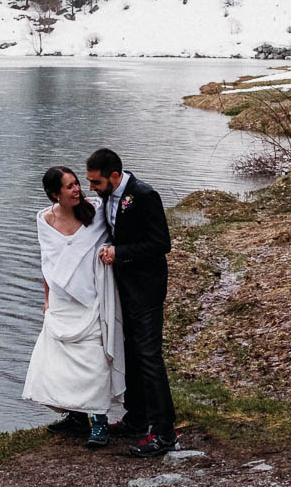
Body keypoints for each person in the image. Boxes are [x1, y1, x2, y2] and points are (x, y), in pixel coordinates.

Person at [22, 166, 125, 448]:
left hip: (91, 299)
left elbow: (118, 236)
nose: (77, 189)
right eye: (69, 187)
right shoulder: (44, 220)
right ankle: (76, 416)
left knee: (94, 360)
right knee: (62, 361)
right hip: (61, 300)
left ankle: (99, 423)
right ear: (55, 194)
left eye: (77, 183)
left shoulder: (96, 211)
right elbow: (48, 263)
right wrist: (46, 299)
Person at [85, 148, 177, 458]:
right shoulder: (107, 197)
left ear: (114, 176)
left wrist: (120, 253)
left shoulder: (144, 194)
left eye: (95, 182)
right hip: (123, 288)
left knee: (150, 357)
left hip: (147, 289)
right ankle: (137, 419)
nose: (91, 189)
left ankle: (165, 434)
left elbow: (160, 243)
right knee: (133, 354)